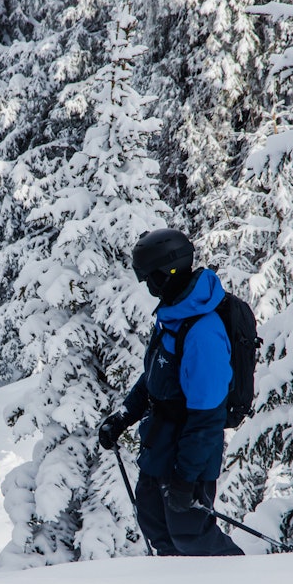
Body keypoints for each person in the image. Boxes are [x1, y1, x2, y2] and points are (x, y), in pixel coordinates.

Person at [97, 228, 243, 557]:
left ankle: (240, 582)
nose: (147, 286)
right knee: (155, 524)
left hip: (190, 446)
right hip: (161, 442)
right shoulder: (173, 317)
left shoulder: (203, 332)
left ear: (168, 273)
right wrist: (123, 418)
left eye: (150, 278)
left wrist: (185, 477)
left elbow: (208, 417)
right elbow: (155, 377)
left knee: (190, 534)